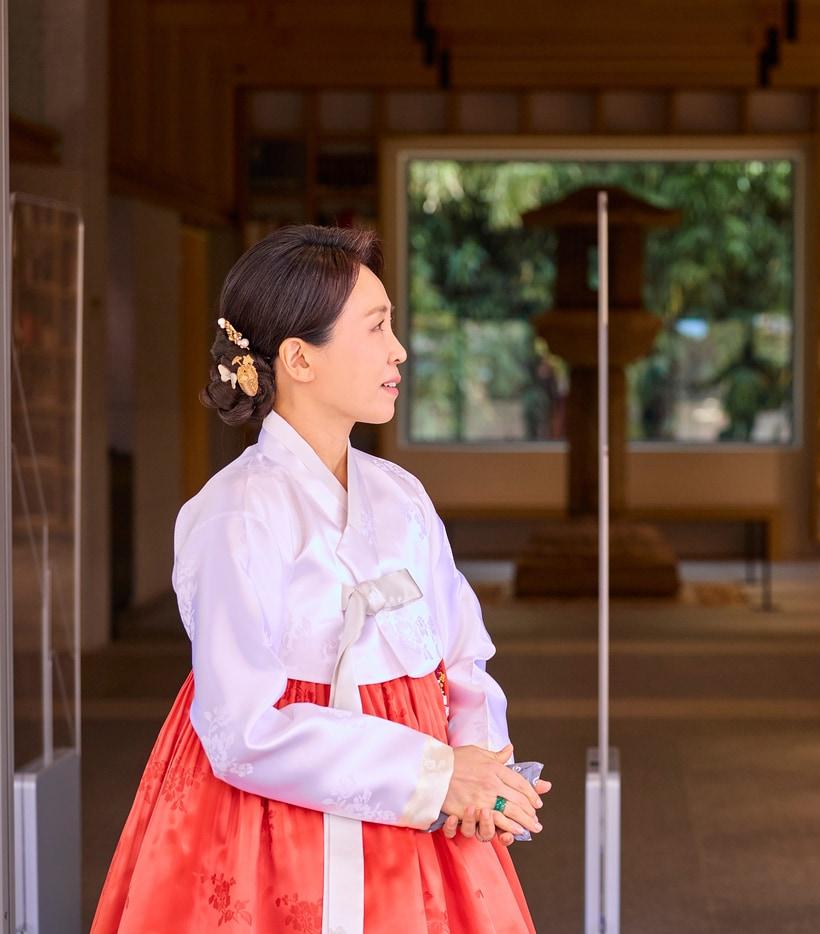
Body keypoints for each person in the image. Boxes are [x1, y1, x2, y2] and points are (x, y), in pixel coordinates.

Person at [92, 225, 549, 933]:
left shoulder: (401, 495)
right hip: (273, 828)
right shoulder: (233, 515)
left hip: (425, 819)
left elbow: (463, 654)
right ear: (299, 359)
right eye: (376, 327)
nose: (399, 350)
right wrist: (436, 777)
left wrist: (480, 765)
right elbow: (242, 730)